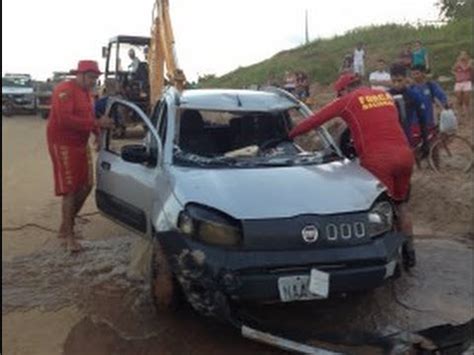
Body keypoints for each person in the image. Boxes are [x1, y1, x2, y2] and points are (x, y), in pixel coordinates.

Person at [288, 73, 416, 267]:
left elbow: (315, 121)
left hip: (378, 160)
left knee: (382, 210)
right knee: (401, 205)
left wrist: (289, 135)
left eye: (339, 94)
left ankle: (391, 261)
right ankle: (410, 253)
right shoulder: (384, 96)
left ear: (344, 90)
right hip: (405, 155)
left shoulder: (347, 101)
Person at [46, 60, 114, 252]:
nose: (93, 81)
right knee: (70, 189)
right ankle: (68, 236)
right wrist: (98, 123)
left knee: (86, 185)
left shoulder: (87, 94)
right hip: (63, 144)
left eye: (96, 78)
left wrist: (97, 134)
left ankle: (65, 225)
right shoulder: (64, 90)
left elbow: (89, 117)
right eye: (91, 77)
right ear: (80, 75)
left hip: (80, 143)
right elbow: (65, 120)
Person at [388, 63, 430, 156]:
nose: (396, 84)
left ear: (406, 78)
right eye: (393, 81)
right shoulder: (385, 96)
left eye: (399, 80)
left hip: (406, 138)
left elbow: (422, 119)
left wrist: (425, 142)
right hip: (390, 139)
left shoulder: (413, 95)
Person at [411, 64, 450, 131]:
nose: (415, 76)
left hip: (429, 121)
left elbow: (442, 96)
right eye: (413, 74)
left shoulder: (430, 85)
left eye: (417, 73)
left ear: (423, 73)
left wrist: (445, 107)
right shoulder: (410, 88)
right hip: (414, 122)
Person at [452, 51, 472, 118]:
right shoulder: (457, 63)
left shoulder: (469, 62)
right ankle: (460, 113)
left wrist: (460, 63)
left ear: (467, 55)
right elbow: (453, 69)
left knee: (466, 98)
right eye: (461, 55)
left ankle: (467, 113)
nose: (463, 56)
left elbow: (465, 68)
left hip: (467, 82)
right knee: (459, 99)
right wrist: (455, 74)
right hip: (459, 82)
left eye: (464, 54)